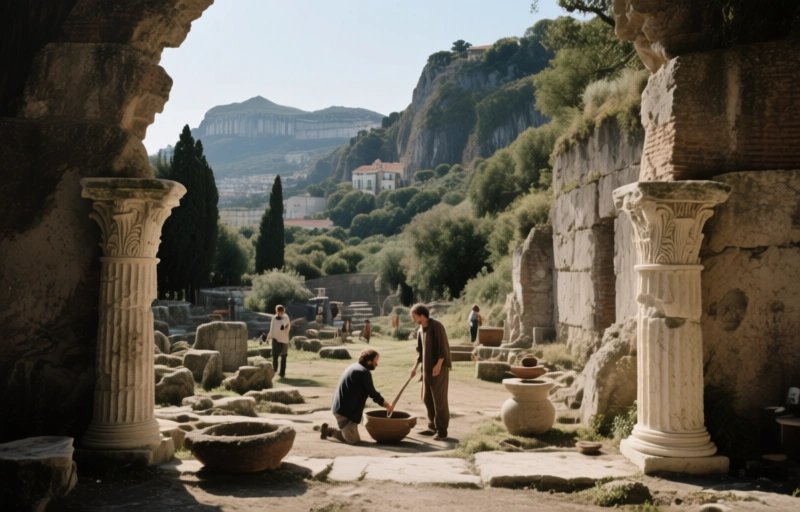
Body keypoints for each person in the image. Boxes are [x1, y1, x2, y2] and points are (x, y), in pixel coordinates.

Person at [320, 348, 393, 444]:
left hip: (341, 407)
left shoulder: (354, 366)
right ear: (369, 361)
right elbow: (372, 393)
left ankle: (340, 431)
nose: (377, 364)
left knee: (352, 437)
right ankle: (330, 430)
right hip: (345, 413)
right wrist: (386, 404)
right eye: (376, 360)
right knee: (354, 441)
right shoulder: (364, 372)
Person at [409, 303, 452, 440]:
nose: (413, 319)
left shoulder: (436, 326)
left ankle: (442, 431)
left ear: (422, 315)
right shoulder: (421, 330)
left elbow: (443, 348)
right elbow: (420, 352)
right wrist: (415, 367)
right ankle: (431, 426)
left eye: (414, 316)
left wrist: (439, 364)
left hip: (439, 369)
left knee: (440, 400)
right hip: (426, 371)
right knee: (427, 399)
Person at [267, 305, 290, 378]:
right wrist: (270, 334)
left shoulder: (286, 317)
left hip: (283, 339)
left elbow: (285, 324)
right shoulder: (273, 318)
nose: (281, 313)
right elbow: (272, 327)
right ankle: (274, 370)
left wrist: (284, 326)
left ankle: (282, 373)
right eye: (280, 312)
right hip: (275, 338)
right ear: (277, 312)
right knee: (275, 356)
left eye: (282, 312)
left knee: (283, 356)